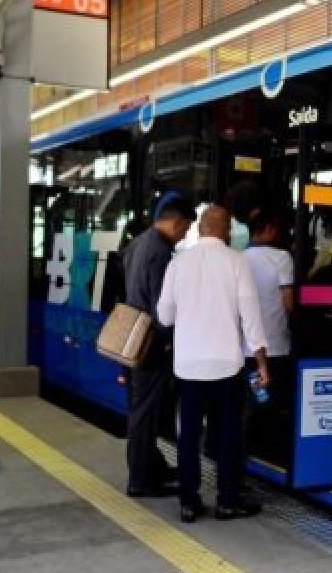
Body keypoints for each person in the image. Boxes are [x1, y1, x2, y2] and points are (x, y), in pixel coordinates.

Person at [157, 204, 270, 523]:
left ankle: (189, 503)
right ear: (223, 230)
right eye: (231, 228)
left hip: (188, 367)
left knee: (189, 435)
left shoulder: (178, 263)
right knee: (227, 434)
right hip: (226, 367)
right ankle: (226, 501)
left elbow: (164, 315)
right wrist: (261, 362)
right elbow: (251, 316)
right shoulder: (237, 262)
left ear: (201, 228)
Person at [120, 193, 195, 498]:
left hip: (133, 335)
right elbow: (163, 306)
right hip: (150, 342)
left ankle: (152, 467)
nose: (185, 234)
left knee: (140, 409)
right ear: (176, 222)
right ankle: (141, 480)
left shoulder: (138, 243)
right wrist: (169, 342)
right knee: (146, 412)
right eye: (186, 228)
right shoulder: (162, 253)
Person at [242, 208, 295, 463]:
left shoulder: (239, 258)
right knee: (266, 401)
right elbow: (288, 302)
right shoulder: (282, 258)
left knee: (252, 399)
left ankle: (244, 451)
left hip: (246, 348)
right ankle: (262, 450)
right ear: (270, 229)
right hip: (274, 346)